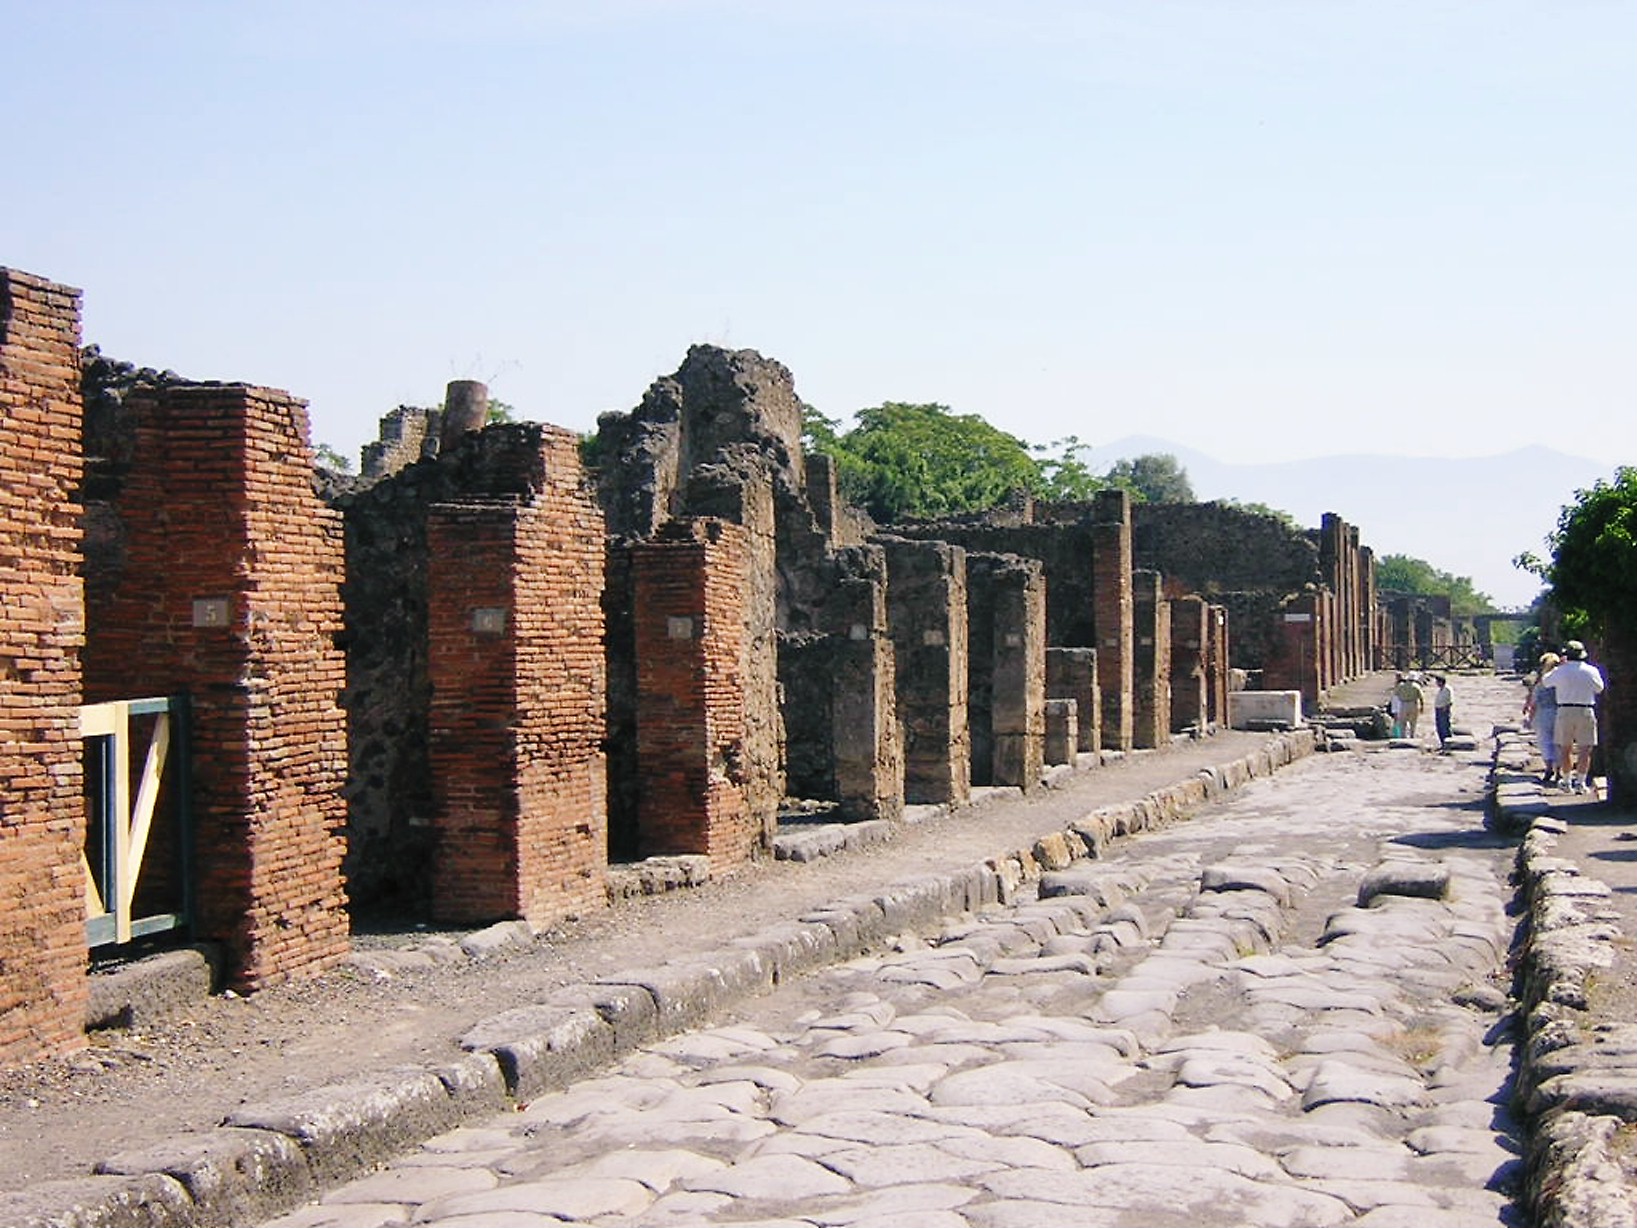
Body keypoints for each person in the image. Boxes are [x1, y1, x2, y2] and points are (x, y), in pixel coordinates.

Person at [1543, 641, 1606, 794]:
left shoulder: (1560, 671)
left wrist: (1557, 666)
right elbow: (1599, 688)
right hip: (1585, 709)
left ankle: (1566, 781)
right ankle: (1581, 783)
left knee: (1565, 749)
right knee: (1585, 749)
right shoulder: (1591, 670)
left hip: (1565, 710)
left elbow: (1545, 682)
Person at [1523, 652, 1561, 785]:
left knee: (1545, 742)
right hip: (1560, 712)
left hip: (1543, 714)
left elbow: (1534, 702)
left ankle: (1549, 768)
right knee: (1559, 743)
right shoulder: (1562, 680)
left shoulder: (1542, 681)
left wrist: (1530, 717)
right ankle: (1559, 770)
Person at [1392, 672, 1426, 739]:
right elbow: (1421, 697)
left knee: (1402, 722)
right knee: (1413, 722)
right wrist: (1422, 707)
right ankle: (1412, 735)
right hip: (1413, 704)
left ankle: (1403, 736)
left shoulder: (1401, 686)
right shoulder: (1416, 686)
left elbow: (1396, 693)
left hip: (1403, 704)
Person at [1432, 675, 1454, 749]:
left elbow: (1450, 701)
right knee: (1439, 728)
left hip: (1443, 710)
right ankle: (1442, 744)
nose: (1436, 683)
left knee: (1445, 727)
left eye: (1437, 682)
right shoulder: (1441, 689)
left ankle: (1448, 744)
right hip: (1438, 709)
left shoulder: (1447, 689)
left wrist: (1446, 708)